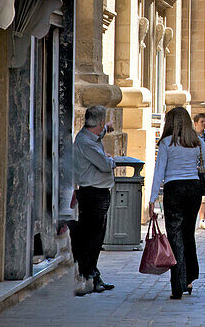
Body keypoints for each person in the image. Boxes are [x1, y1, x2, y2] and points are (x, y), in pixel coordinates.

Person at [148, 106, 205, 299]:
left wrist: (153, 198)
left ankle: (177, 285)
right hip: (193, 188)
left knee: (174, 235)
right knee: (188, 233)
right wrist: (197, 166)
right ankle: (189, 278)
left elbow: (159, 172)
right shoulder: (196, 141)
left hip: (174, 189)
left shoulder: (166, 143)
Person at [72, 105, 117, 296]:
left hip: (97, 192)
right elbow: (106, 165)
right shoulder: (85, 142)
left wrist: (107, 127)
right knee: (92, 237)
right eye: (103, 122)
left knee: (96, 236)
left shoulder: (92, 136)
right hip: (93, 193)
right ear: (98, 122)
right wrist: (111, 160)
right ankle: (89, 275)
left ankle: (93, 274)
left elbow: (100, 133)